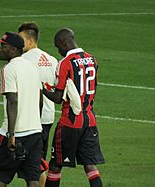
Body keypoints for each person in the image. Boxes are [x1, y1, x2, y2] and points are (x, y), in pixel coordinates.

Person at [42, 28, 105, 187]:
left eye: (58, 47)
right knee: (90, 166)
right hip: (89, 120)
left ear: (64, 43)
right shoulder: (92, 60)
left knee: (56, 165)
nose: (58, 51)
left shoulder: (65, 63)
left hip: (70, 122)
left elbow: (57, 97)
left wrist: (42, 89)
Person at [0, 32, 43, 187]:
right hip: (35, 132)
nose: (0, 49)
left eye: (3, 46)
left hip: (13, 133)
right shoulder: (33, 68)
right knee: (32, 177)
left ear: (13, 49)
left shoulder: (8, 69)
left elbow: (12, 101)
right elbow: (40, 98)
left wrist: (11, 135)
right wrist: (36, 123)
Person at [18, 22, 58, 187]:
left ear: (29, 40)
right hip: (47, 117)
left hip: (30, 119)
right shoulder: (52, 60)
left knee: (32, 163)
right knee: (39, 160)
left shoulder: (21, 60)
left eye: (20, 39)